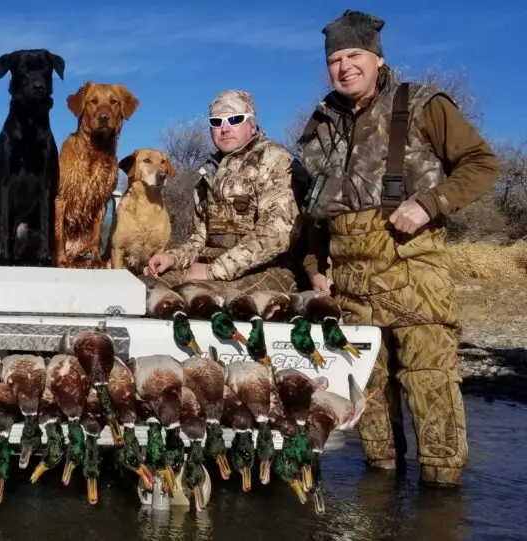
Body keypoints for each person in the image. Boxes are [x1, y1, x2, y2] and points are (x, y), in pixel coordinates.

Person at [297, 10, 500, 488]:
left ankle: (442, 504)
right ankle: (380, 501)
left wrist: (431, 203)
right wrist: (313, 264)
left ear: (377, 57)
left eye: (354, 56)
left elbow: (481, 163)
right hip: (350, 286)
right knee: (367, 402)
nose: (344, 67)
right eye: (335, 59)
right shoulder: (321, 122)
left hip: (414, 278)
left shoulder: (423, 103)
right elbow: (315, 208)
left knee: (430, 391)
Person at [145, 90, 302, 293]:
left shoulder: (273, 159)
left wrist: (214, 271)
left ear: (252, 125)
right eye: (217, 122)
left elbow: (277, 233)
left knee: (197, 296)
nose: (225, 129)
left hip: (267, 270)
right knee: (144, 288)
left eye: (234, 119)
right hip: (212, 267)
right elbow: (200, 240)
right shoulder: (209, 172)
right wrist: (172, 258)